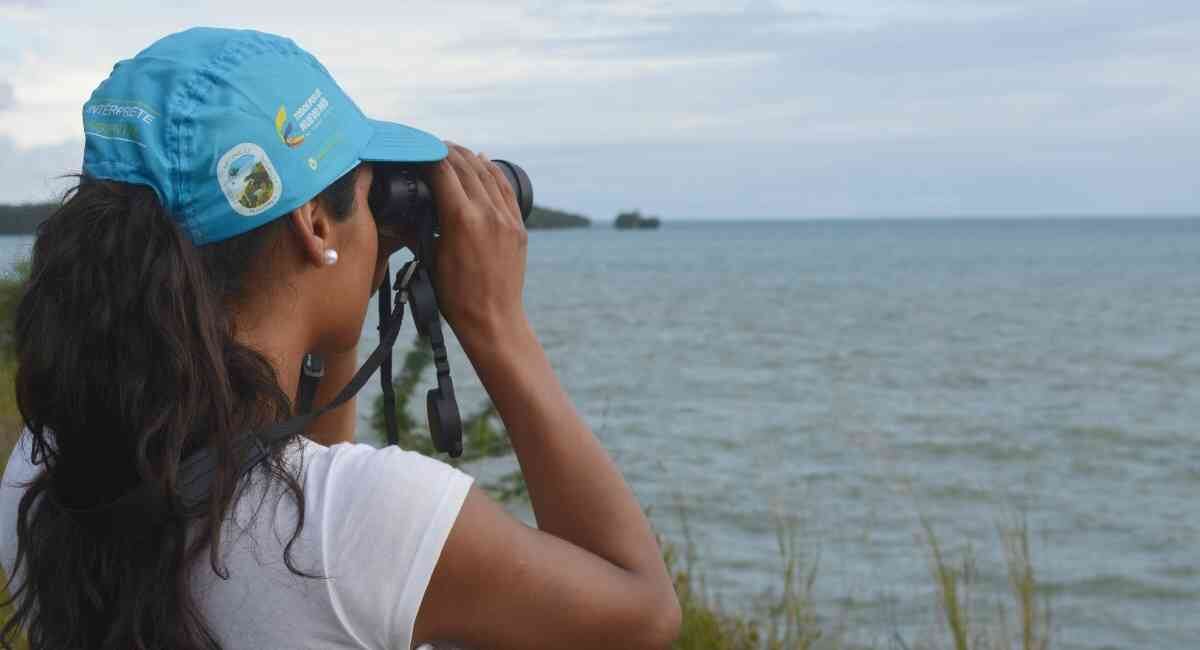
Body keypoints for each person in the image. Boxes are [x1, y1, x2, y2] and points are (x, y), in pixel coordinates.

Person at [0, 27, 681, 650]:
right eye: (368, 191)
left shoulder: (47, 467)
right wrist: (495, 323)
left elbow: (295, 466)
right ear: (314, 225)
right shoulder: (361, 526)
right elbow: (644, 613)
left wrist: (337, 314)